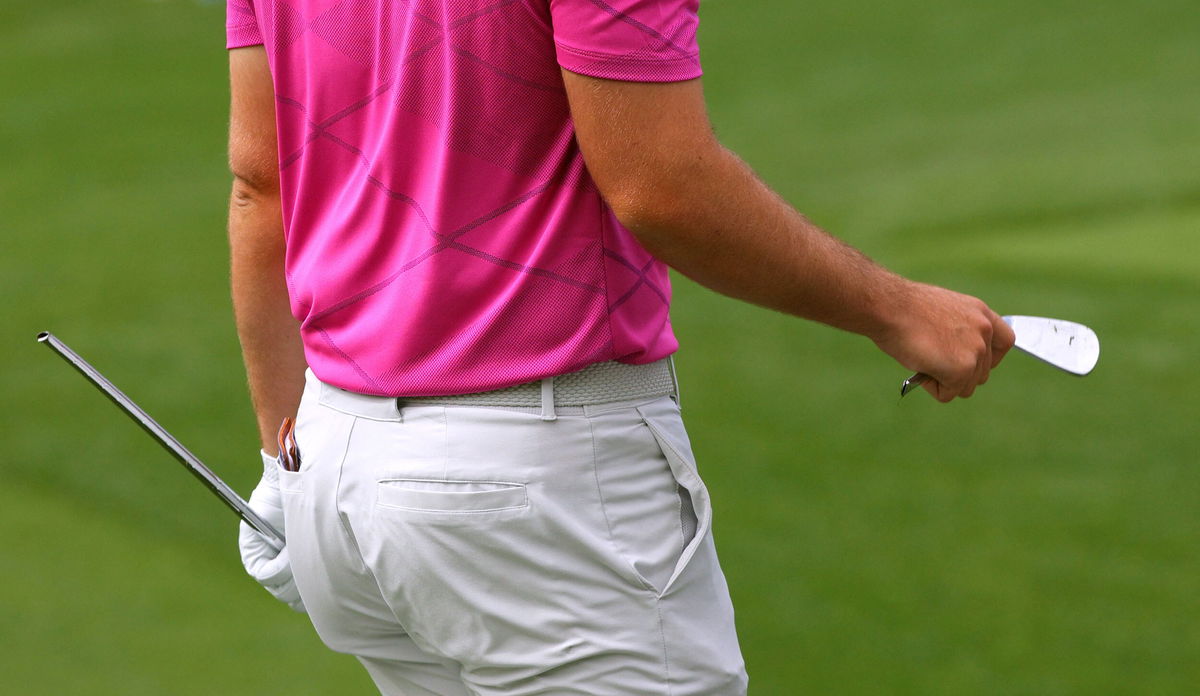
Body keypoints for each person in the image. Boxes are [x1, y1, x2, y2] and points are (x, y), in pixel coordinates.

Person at [227, 0, 1015, 694]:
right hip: (537, 496)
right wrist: (896, 311)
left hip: (336, 467)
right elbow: (658, 183)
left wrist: (280, 462)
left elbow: (261, 185)